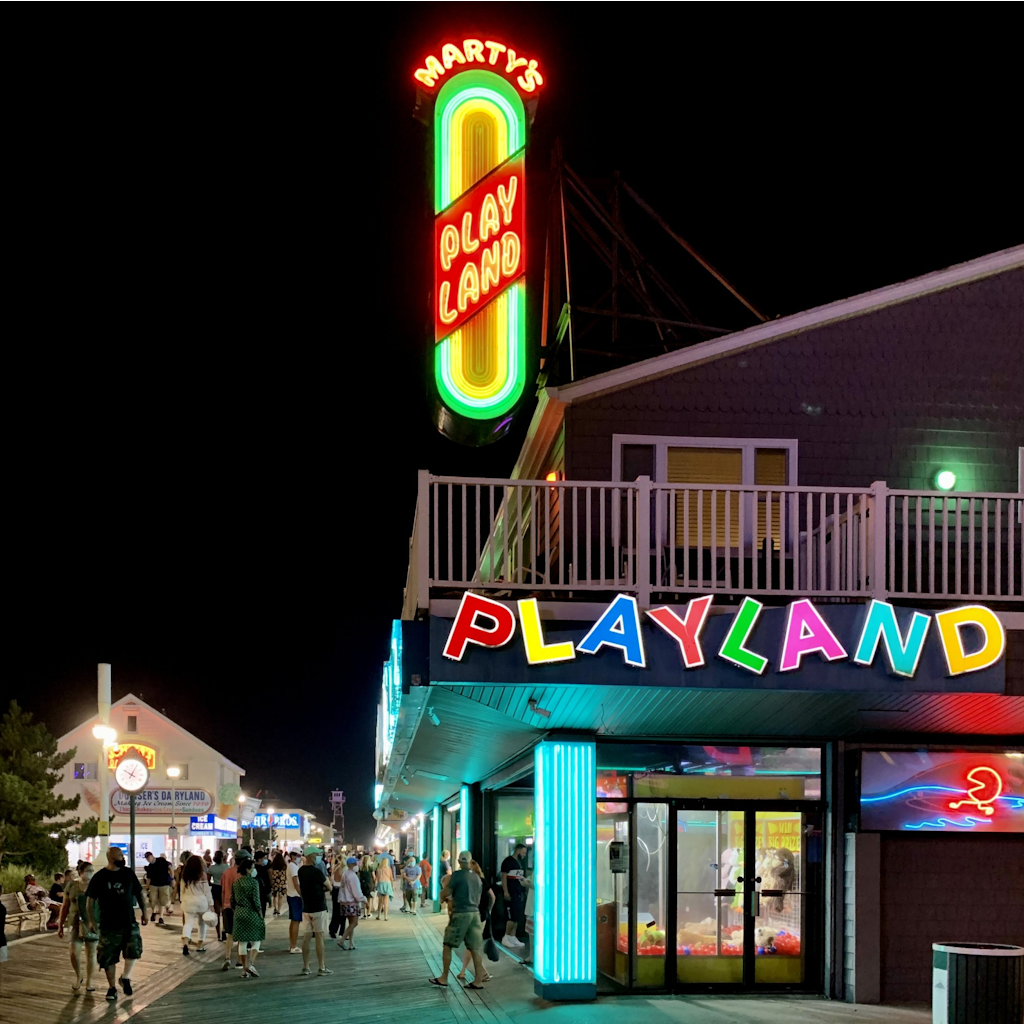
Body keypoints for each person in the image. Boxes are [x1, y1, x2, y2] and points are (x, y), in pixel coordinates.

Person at [85, 845, 148, 1002]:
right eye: (120, 855)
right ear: (112, 858)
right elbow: (90, 901)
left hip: (129, 921)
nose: (123, 858)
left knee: (133, 951)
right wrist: (92, 921)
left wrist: (145, 912)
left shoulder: (128, 873)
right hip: (108, 924)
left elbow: (139, 893)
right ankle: (112, 987)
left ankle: (125, 977)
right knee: (108, 957)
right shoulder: (100, 877)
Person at [429, 851, 485, 989]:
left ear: (459, 862)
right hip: (475, 914)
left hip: (461, 913)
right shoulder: (477, 878)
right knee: (475, 948)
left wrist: (442, 897)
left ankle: (444, 977)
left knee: (448, 944)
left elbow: (447, 892)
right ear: (470, 861)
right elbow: (478, 898)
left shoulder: (457, 875)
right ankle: (478, 980)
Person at [58, 861, 98, 993]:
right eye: (88, 871)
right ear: (80, 872)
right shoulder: (72, 885)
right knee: (74, 952)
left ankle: (89, 980)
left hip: (91, 923)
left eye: (92, 870)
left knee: (91, 953)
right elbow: (65, 905)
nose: (90, 873)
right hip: (75, 922)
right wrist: (60, 924)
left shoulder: (96, 885)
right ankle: (78, 975)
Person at [456, 860, 495, 984]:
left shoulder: (470, 882)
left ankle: (476, 972)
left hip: (474, 915)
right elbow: (492, 896)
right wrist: (489, 910)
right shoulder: (483, 881)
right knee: (472, 944)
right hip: (482, 915)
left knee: (472, 945)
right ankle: (480, 972)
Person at [298, 847, 333, 976]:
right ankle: (321, 967)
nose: (319, 856)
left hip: (306, 907)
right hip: (319, 906)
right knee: (319, 936)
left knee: (306, 937)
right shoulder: (317, 872)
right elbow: (329, 886)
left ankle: (306, 967)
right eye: (317, 854)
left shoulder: (301, 871)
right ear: (311, 856)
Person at [230, 853, 265, 978]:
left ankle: (244, 969)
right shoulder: (253, 883)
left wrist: (236, 910)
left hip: (239, 912)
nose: (254, 870)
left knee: (242, 942)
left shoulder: (236, 883)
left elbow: (232, 900)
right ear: (248, 870)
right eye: (252, 867)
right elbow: (256, 901)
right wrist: (260, 914)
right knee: (257, 938)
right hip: (251, 912)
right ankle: (251, 964)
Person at [178, 855, 212, 955]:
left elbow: (182, 890)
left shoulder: (184, 875)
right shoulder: (202, 875)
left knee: (188, 923)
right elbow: (207, 892)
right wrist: (211, 904)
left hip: (188, 902)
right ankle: (200, 944)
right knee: (202, 924)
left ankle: (185, 944)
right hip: (201, 902)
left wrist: (182, 900)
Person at [500, 843, 528, 949]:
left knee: (517, 915)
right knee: (511, 915)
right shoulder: (508, 862)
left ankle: (513, 936)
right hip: (511, 892)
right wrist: (506, 891)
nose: (524, 855)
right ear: (518, 850)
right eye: (523, 852)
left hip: (518, 892)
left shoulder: (520, 862)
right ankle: (506, 936)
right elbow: (504, 877)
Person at [337, 856, 365, 949]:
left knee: (350, 923)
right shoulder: (353, 876)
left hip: (344, 901)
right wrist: (363, 900)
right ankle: (342, 940)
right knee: (354, 923)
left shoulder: (345, 874)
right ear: (352, 865)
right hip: (352, 902)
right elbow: (356, 891)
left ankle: (351, 943)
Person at [218, 854, 241, 970]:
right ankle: (239, 961)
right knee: (241, 935)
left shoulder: (227, 872)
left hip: (226, 905)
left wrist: (223, 905)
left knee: (230, 935)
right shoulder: (242, 874)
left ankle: (227, 957)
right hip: (239, 907)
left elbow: (222, 890)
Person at [145, 854, 173, 926]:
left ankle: (161, 917)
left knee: (162, 901)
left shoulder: (161, 861)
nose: (148, 860)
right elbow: (149, 878)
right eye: (147, 859)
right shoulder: (150, 866)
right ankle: (154, 912)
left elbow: (170, 867)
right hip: (154, 885)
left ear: (152, 856)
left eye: (148, 858)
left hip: (164, 884)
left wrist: (172, 878)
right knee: (153, 900)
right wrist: (147, 887)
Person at [208, 850, 228, 937]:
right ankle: (224, 930)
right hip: (224, 889)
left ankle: (218, 934)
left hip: (215, 888)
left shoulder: (211, 868)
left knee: (217, 912)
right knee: (224, 911)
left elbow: (208, 880)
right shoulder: (227, 867)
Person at [286, 850, 303, 953]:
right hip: (295, 896)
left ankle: (292, 944)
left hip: (292, 895)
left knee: (294, 921)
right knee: (296, 921)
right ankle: (293, 946)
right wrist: (302, 894)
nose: (299, 857)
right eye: (297, 855)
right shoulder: (293, 867)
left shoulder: (292, 866)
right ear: (292, 856)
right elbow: (296, 883)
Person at [373, 853, 394, 921]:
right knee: (386, 902)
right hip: (387, 884)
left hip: (380, 885)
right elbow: (391, 878)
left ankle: (379, 915)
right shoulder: (389, 869)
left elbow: (377, 878)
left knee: (380, 902)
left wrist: (375, 885)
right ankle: (386, 917)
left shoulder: (379, 869)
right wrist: (392, 885)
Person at [269, 852, 288, 916]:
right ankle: (279, 910)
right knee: (280, 897)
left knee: (274, 896)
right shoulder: (284, 866)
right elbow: (285, 875)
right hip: (282, 883)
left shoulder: (273, 865)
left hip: (275, 882)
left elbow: (271, 874)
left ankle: (275, 908)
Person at [253, 851, 271, 918]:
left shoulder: (251, 868)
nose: (265, 859)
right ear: (259, 859)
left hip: (253, 896)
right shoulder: (264, 870)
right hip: (262, 895)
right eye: (263, 858)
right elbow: (267, 883)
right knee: (261, 915)